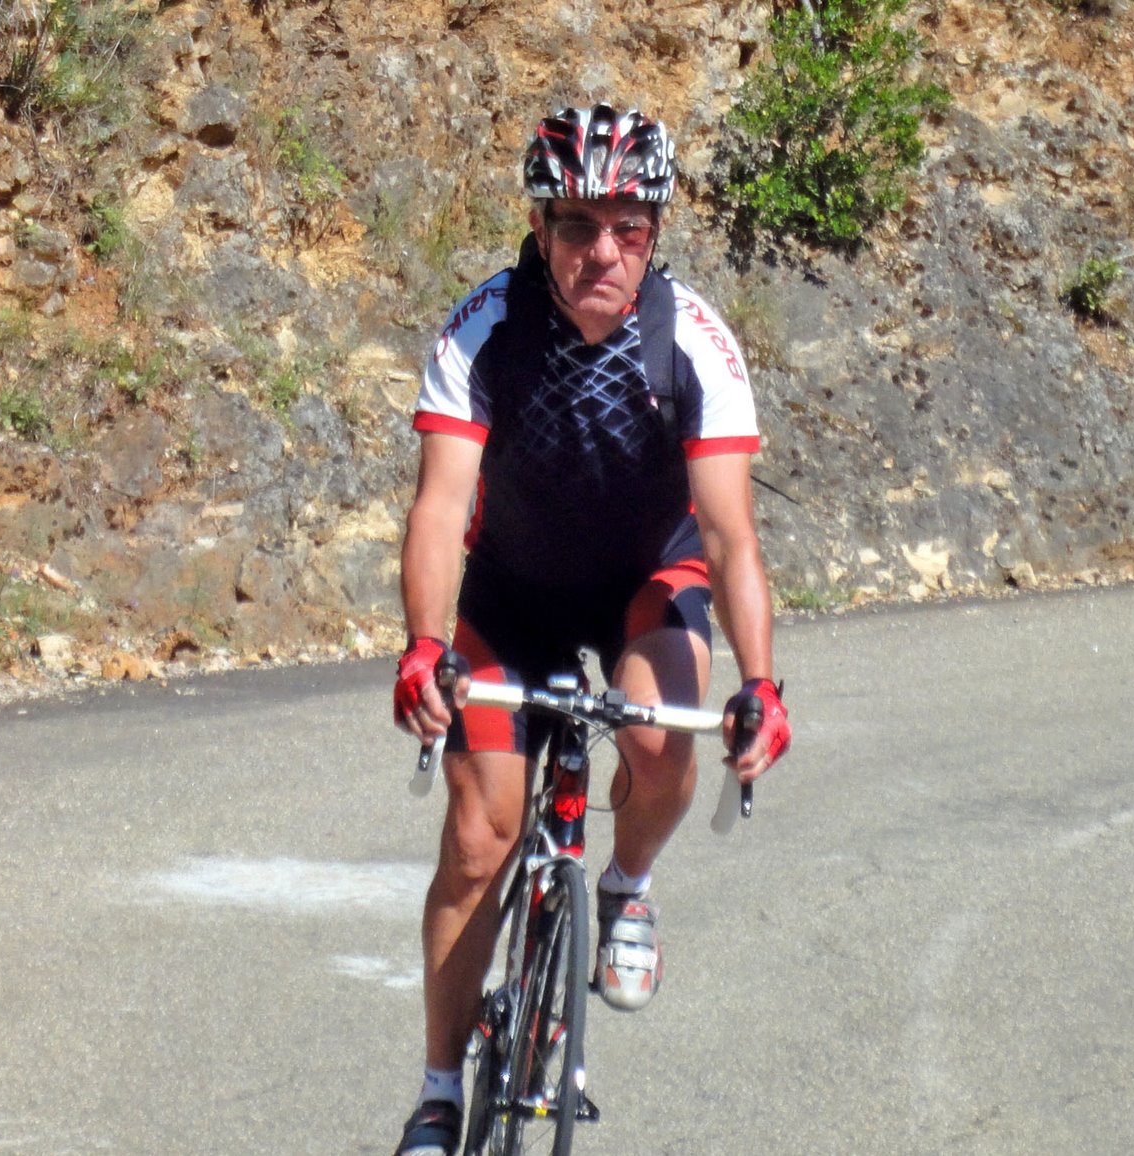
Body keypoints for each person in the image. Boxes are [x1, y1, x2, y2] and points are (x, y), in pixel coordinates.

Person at [389, 103, 792, 1156]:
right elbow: (439, 505)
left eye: (627, 227)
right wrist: (424, 644)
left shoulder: (693, 341)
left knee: (661, 741)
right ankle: (438, 1092)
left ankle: (627, 886)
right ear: (539, 226)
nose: (601, 251)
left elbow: (730, 535)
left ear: (655, 233)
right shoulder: (484, 327)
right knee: (478, 840)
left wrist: (761, 682)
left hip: (643, 581)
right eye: (575, 225)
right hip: (511, 592)